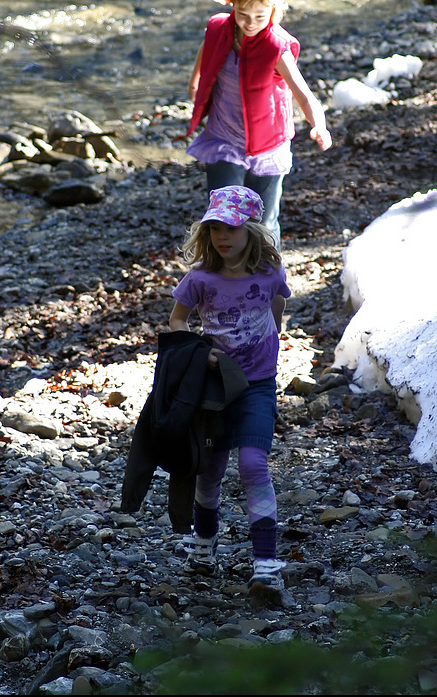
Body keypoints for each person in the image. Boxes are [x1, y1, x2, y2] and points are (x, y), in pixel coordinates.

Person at [168, 184, 291, 598]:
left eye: (232, 229)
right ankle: (204, 545)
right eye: (216, 227)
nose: (223, 236)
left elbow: (277, 305)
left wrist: (276, 336)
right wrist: (199, 353)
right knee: (210, 470)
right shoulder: (200, 278)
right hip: (215, 389)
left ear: (251, 230)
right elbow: (178, 321)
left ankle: (266, 564)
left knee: (254, 464)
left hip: (257, 385)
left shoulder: (270, 272)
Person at [183, 0, 332, 248]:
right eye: (242, 15)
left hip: (268, 146)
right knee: (223, 219)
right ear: (233, 5)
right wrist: (194, 82)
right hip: (224, 139)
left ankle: (270, 283)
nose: (250, 23)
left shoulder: (277, 48)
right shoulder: (220, 28)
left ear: (274, 11)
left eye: (260, 17)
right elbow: (207, 48)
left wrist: (320, 126)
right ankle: (224, 281)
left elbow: (304, 95)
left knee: (263, 224)